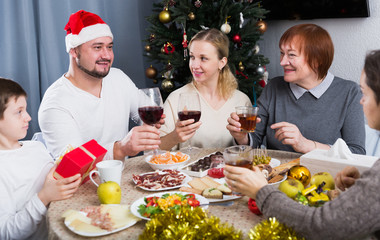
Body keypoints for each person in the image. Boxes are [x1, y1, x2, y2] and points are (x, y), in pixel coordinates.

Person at [224, 50, 380, 240]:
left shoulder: (346, 91)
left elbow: (319, 225)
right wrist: (362, 185)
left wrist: (260, 191)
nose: (361, 101)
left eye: (365, 93)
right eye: (281, 53)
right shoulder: (274, 87)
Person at [38, 10, 163, 160]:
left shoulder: (118, 77)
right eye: (97, 47)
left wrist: (155, 128)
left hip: (122, 177)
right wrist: (121, 148)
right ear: (74, 51)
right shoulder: (55, 103)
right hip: (83, 183)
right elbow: (72, 162)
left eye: (109, 47)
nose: (107, 55)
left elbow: (148, 113)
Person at [227, 24, 365, 154]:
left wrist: (307, 145)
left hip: (325, 177)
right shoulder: (274, 87)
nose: (282, 62)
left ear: (317, 60)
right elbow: (254, 141)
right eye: (282, 53)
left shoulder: (349, 92)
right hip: (277, 176)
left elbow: (357, 152)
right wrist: (242, 137)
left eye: (291, 55)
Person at [0, 78, 81, 240]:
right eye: (19, 112)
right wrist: (44, 197)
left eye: (26, 110)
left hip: (74, 222)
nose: (28, 117)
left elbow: (54, 181)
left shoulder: (36, 146)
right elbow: (6, 232)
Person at [159, 28, 251, 150]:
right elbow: (152, 150)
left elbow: (249, 151)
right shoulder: (176, 98)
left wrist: (241, 138)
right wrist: (175, 137)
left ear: (221, 62)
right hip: (188, 169)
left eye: (203, 58)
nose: (195, 66)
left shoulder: (241, 101)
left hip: (231, 169)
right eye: (192, 57)